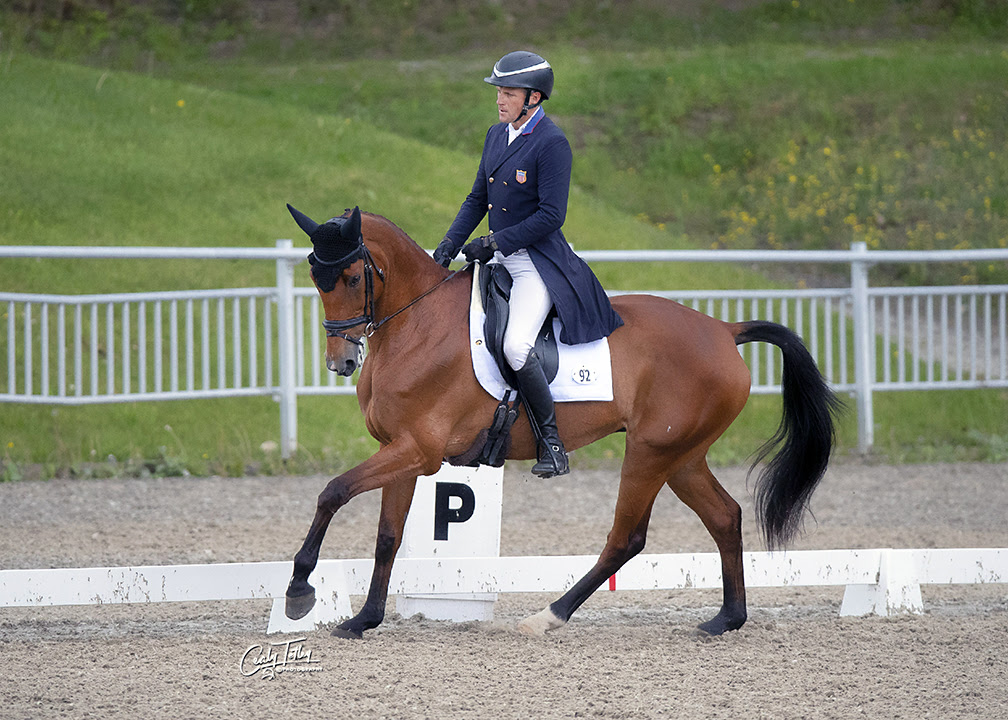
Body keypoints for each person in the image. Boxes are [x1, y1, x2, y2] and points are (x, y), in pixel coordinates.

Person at [434, 50, 623, 478]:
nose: (500, 100)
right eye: (498, 93)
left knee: (515, 344)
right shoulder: (496, 135)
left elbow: (551, 216)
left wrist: (495, 241)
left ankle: (552, 443)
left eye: (507, 93)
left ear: (533, 98)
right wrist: (449, 244)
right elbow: (475, 198)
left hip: (534, 262)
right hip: (496, 257)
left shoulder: (552, 144)